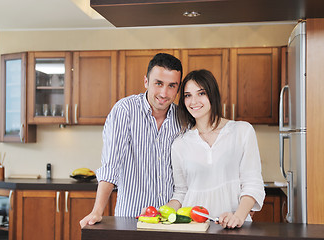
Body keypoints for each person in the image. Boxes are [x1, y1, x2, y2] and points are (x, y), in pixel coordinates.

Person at [80, 53, 183, 228]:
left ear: (178, 88)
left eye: (171, 86)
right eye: (158, 83)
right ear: (146, 82)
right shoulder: (125, 111)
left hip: (171, 221)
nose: (164, 93)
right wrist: (97, 211)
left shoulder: (183, 118)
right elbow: (111, 164)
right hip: (130, 219)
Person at [166, 69, 265, 229]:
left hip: (235, 227)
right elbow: (181, 192)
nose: (193, 101)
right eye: (187, 95)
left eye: (201, 93)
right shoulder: (179, 144)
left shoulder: (242, 131)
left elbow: (252, 183)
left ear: (212, 95)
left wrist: (238, 216)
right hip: (193, 229)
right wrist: (160, 213)